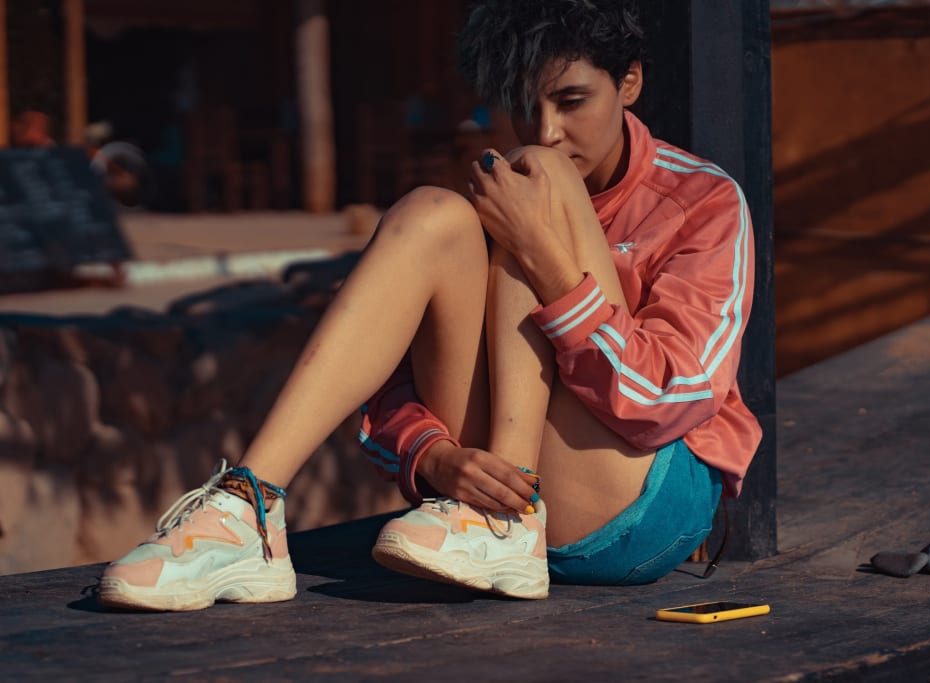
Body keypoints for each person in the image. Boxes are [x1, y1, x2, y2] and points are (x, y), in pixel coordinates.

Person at [98, 0, 761, 611]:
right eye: (523, 105)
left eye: (571, 100)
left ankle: (506, 522)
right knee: (432, 213)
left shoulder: (704, 201)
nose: (548, 129)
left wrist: (544, 253)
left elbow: (672, 401)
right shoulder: (504, 191)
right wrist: (435, 456)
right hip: (510, 491)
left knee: (537, 175)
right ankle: (250, 505)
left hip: (641, 500)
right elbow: (387, 376)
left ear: (630, 82)